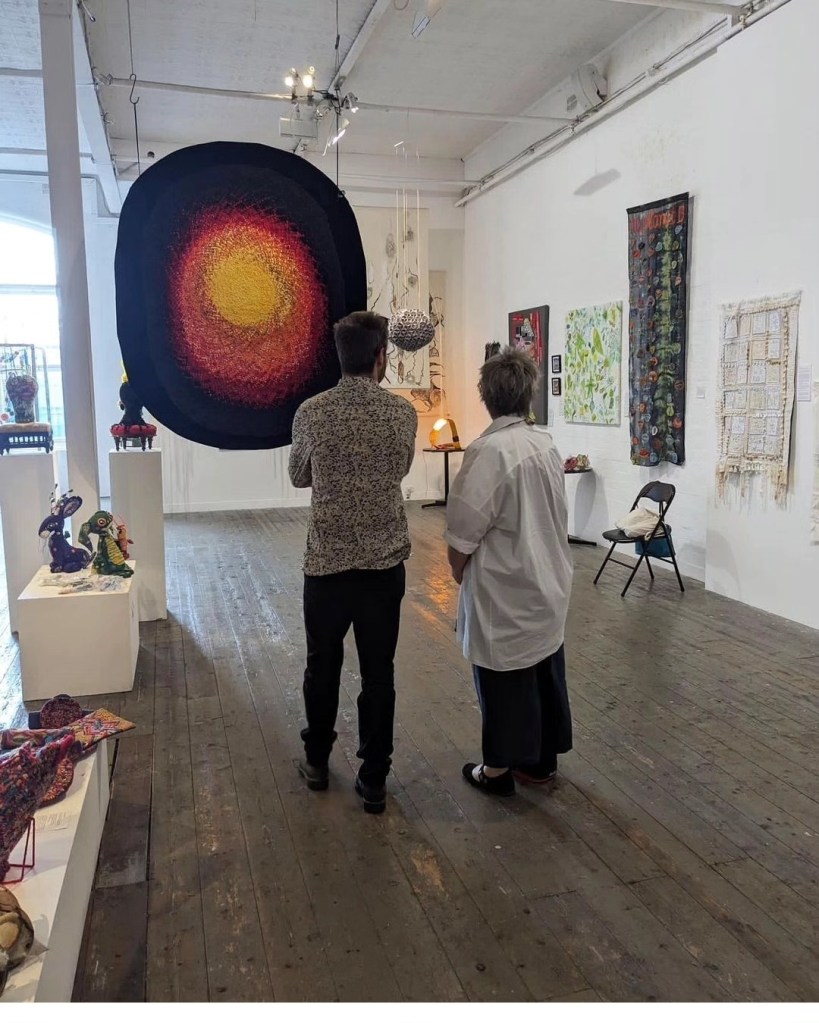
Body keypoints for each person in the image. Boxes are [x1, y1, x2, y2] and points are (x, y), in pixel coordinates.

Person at [288, 311, 417, 814]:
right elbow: (401, 468)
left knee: (322, 666)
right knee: (378, 672)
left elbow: (299, 475)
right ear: (380, 356)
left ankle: (317, 761)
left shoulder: (312, 412)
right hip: (383, 567)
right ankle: (374, 777)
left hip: (327, 564)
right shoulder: (401, 413)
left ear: (339, 356)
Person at [444, 347, 573, 796]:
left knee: (502, 679)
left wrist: (458, 572)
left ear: (486, 397)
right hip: (548, 578)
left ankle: (497, 770)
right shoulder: (545, 444)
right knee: (543, 669)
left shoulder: (488, 452)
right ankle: (540, 763)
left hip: (506, 585)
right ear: (528, 394)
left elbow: (462, 533)